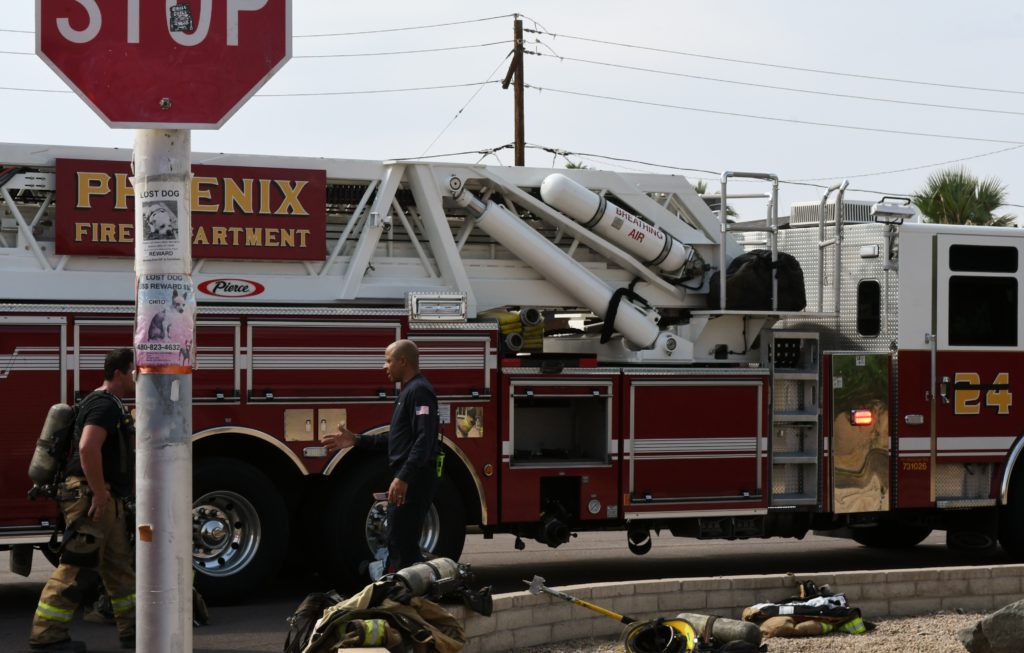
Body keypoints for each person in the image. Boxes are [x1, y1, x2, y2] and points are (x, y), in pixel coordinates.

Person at [30, 348, 137, 652]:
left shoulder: (107, 403)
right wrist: (100, 494)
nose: (138, 377)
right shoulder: (104, 405)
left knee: (119, 567)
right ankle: (47, 636)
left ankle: (135, 631)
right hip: (92, 496)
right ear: (119, 373)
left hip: (104, 497)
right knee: (76, 566)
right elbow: (88, 447)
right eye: (134, 371)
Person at [323, 339, 440, 573]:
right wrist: (357, 440)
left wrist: (404, 477)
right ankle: (402, 585)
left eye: (388, 361)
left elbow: (424, 440)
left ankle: (404, 590)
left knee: (401, 544)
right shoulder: (408, 391)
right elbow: (397, 439)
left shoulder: (419, 391)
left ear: (403, 361)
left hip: (414, 480)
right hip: (409, 477)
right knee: (398, 540)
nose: (384, 366)